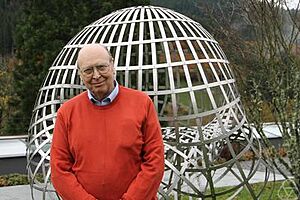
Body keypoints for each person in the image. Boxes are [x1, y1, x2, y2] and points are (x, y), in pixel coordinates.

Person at [50, 44, 165, 200]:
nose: (96, 75)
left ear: (112, 65)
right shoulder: (67, 112)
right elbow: (59, 170)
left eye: (101, 67)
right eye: (88, 70)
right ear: (80, 74)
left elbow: (155, 162)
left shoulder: (142, 103)